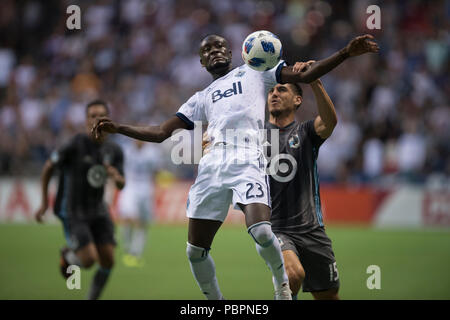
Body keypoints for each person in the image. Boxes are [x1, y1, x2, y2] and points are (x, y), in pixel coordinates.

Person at [92, 34, 378, 300]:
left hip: (246, 158)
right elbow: (161, 131)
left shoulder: (258, 72)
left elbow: (306, 74)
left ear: (233, 53)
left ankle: (281, 289)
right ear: (201, 62)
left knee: (263, 232)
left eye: (218, 46)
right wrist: (118, 127)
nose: (213, 51)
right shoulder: (200, 98)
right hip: (212, 165)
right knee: (194, 252)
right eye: (206, 50)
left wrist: (345, 53)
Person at [34, 100, 125, 300]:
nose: (97, 119)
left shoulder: (114, 151)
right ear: (86, 121)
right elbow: (49, 167)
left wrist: (116, 177)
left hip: (99, 210)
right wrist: (43, 203)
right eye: (92, 115)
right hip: (74, 211)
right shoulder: (75, 144)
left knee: (108, 260)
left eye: (101, 115)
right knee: (90, 260)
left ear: (108, 119)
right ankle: (68, 255)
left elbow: (121, 184)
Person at [267, 60, 340, 299]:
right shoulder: (253, 136)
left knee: (328, 296)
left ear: (298, 100)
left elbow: (329, 122)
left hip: (312, 230)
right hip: (276, 228)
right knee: (293, 275)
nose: (274, 93)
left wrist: (314, 80)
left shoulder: (306, 132)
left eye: (281, 89)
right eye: (271, 90)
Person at [118, 139, 162, 267]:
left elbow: (156, 172)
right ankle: (127, 248)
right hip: (130, 187)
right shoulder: (126, 150)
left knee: (142, 222)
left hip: (146, 189)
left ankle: (136, 252)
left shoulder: (152, 153)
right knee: (129, 218)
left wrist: (157, 187)